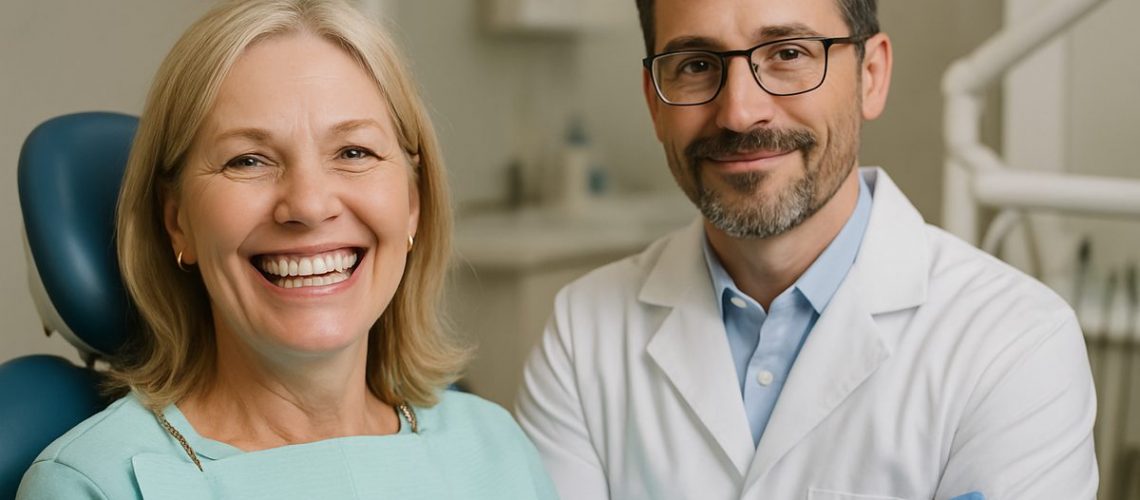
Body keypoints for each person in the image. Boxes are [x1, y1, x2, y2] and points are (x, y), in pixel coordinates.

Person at [516, 0, 1098, 498]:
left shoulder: (1015, 345)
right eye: (696, 65)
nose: (741, 112)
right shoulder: (582, 332)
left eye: (788, 54)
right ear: (654, 101)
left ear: (871, 75)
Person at [17, 1, 556, 498]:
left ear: (412, 204)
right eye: (248, 160)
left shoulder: (496, 447)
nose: (309, 204)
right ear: (176, 221)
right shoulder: (95, 484)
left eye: (353, 151)